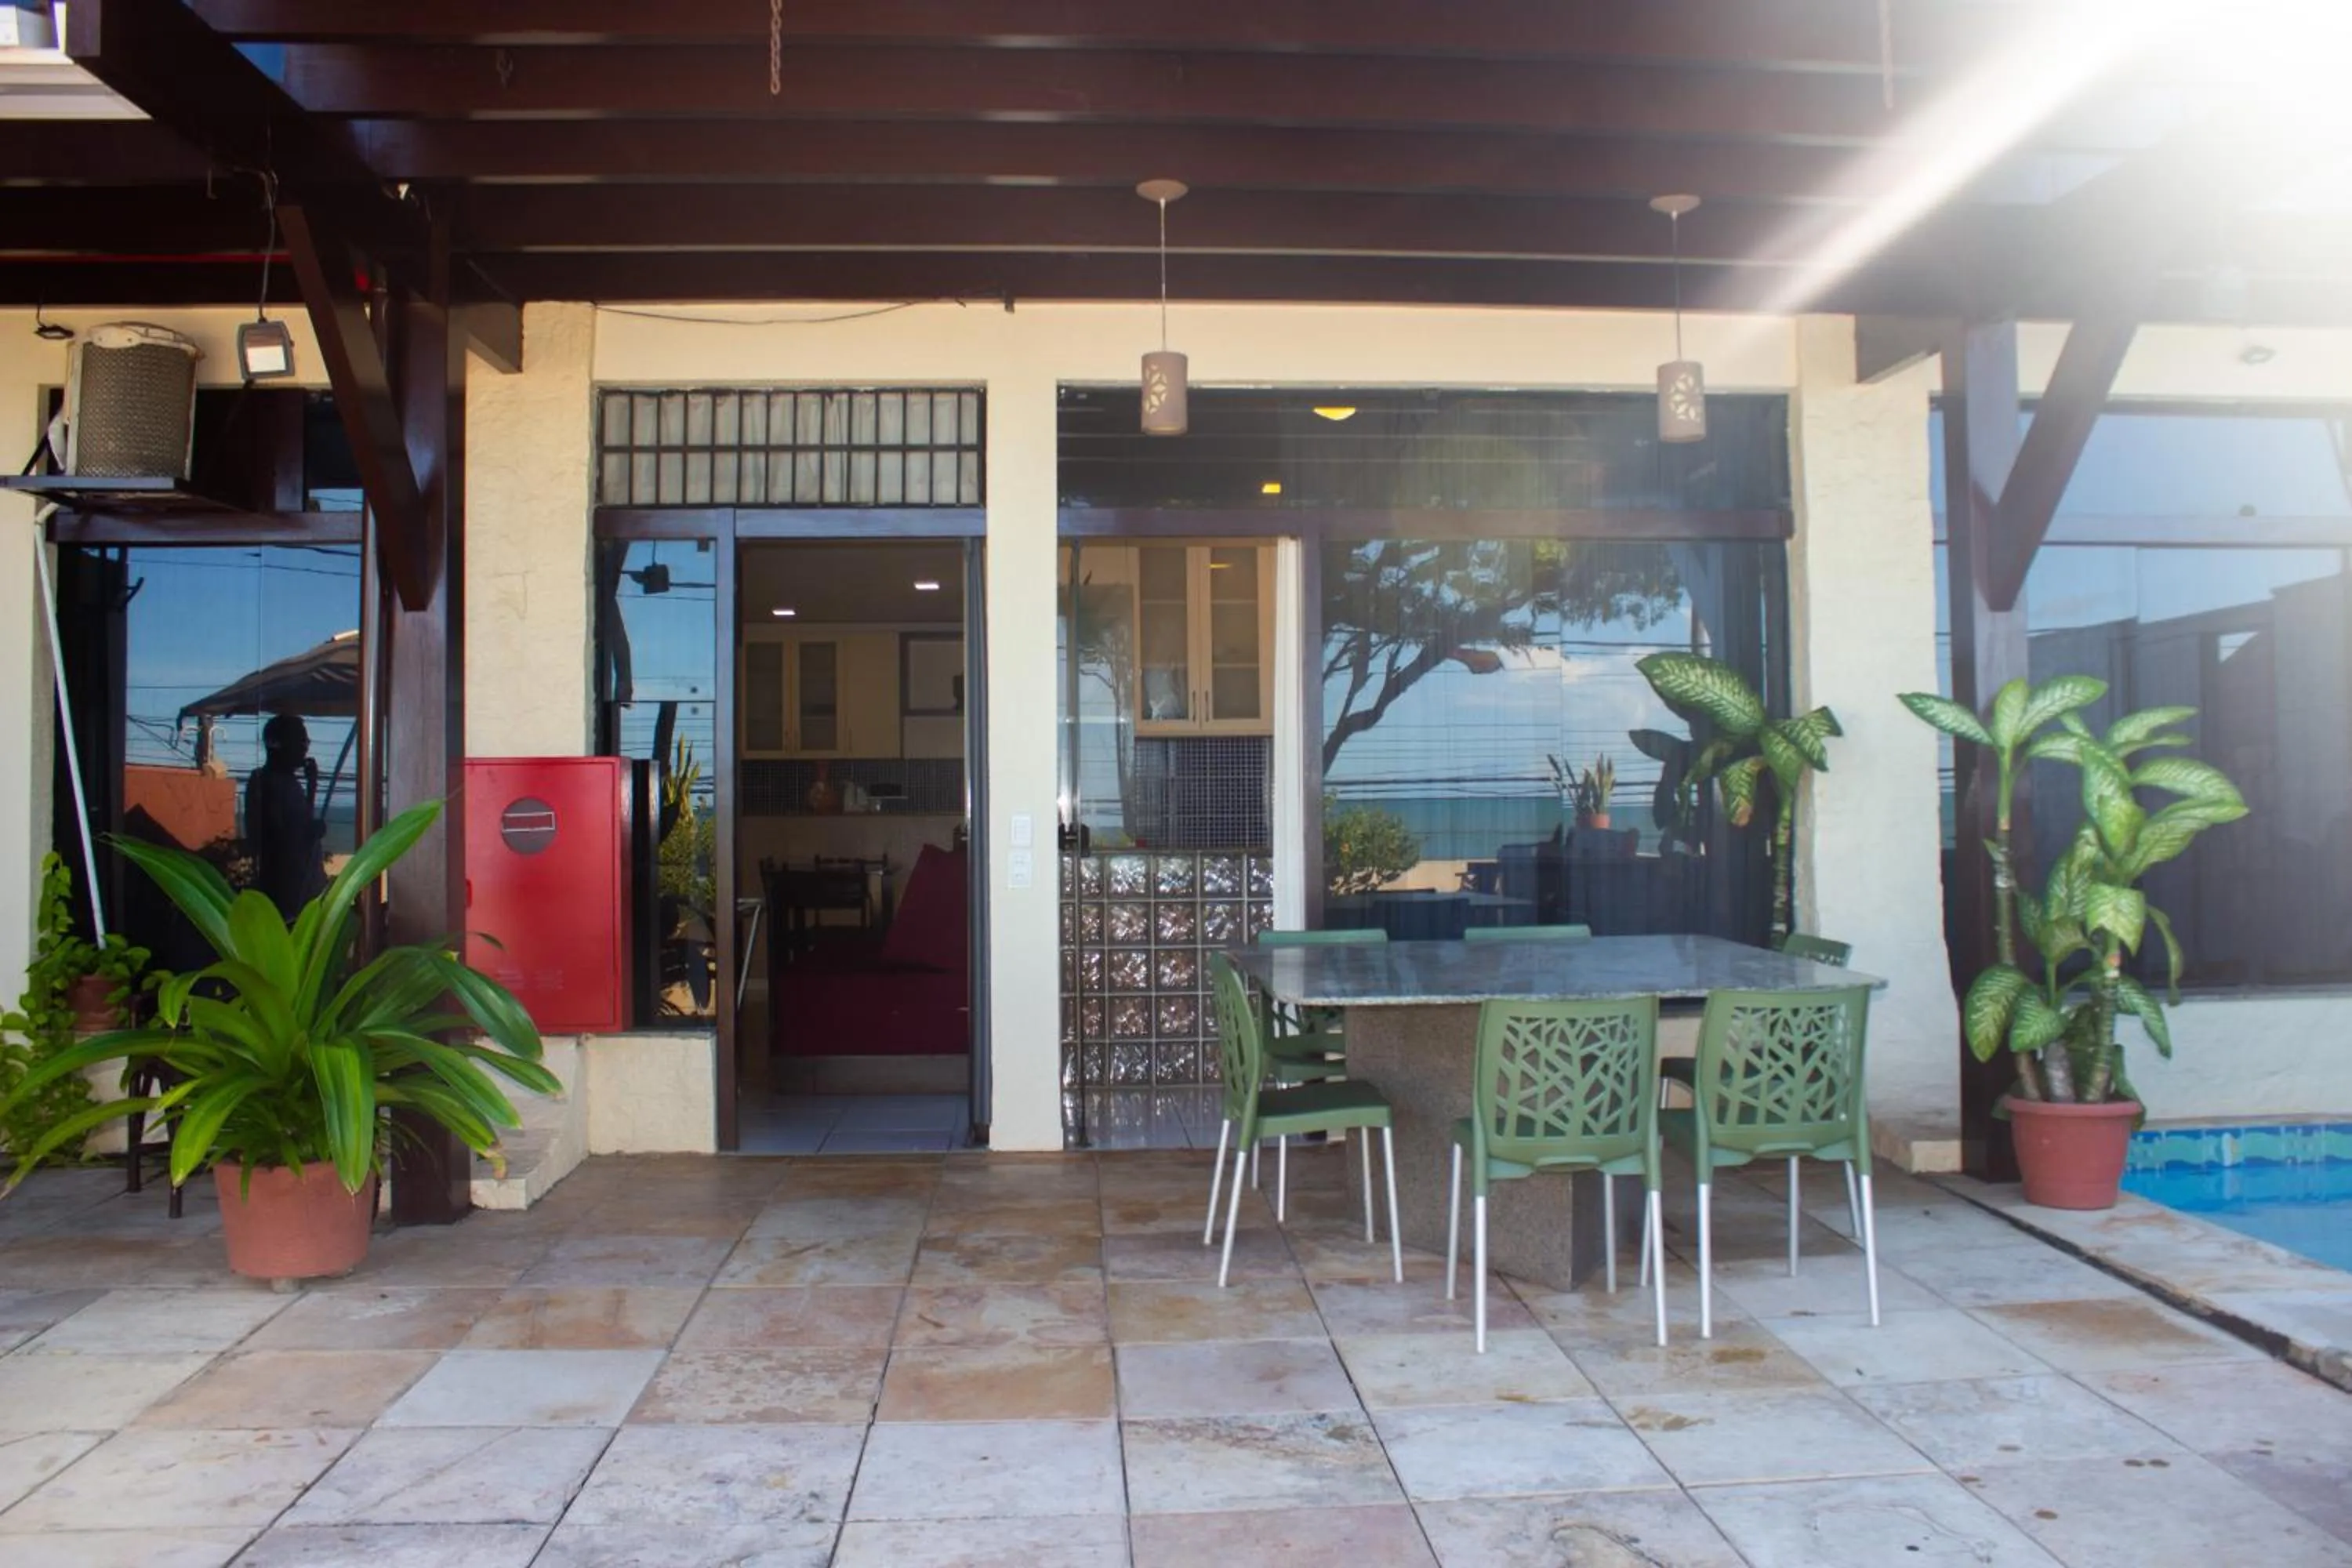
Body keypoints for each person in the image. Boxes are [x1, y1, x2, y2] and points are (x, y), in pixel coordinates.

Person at [246, 713, 325, 919]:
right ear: (276, 744)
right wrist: (309, 832)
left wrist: (312, 786)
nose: (305, 748)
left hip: (301, 889)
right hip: (285, 892)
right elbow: (277, 838)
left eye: (305, 741)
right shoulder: (263, 781)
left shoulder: (291, 783)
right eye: (299, 741)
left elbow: (301, 827)